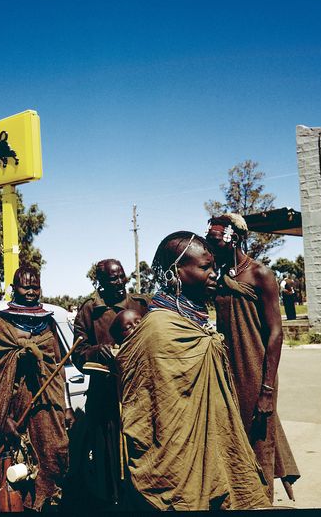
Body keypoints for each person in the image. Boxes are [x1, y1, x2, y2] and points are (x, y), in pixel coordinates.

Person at [116, 231, 272, 510]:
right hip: (176, 461)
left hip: (214, 450)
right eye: (204, 267)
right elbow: (149, 407)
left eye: (213, 266)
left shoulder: (193, 321)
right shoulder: (158, 329)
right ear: (176, 272)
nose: (214, 274)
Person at [205, 213, 300, 502]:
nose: (210, 243)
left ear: (233, 238)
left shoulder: (260, 274)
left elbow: (275, 333)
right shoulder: (218, 278)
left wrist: (267, 390)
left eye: (215, 238)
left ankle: (262, 503)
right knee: (234, 442)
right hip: (228, 373)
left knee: (260, 445)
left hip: (256, 374)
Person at [0, 266, 73, 511]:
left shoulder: (47, 322)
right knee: (20, 468)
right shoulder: (4, 325)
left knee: (53, 455)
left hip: (46, 404)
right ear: (14, 289)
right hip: (16, 407)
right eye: (26, 286)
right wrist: (4, 418)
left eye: (36, 286)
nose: (32, 291)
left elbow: (58, 366)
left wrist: (65, 407)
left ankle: (47, 503)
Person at [69, 259, 150, 508]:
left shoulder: (141, 305)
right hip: (104, 399)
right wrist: (96, 351)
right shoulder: (89, 310)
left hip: (140, 394)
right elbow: (77, 352)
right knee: (110, 459)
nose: (119, 282)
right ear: (100, 283)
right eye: (112, 279)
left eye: (121, 277)